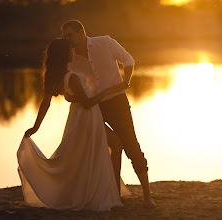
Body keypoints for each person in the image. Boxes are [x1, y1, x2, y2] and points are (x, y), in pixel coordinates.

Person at [17, 38, 130, 211]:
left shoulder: (58, 75)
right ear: (65, 54)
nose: (73, 52)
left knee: (86, 154)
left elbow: (46, 102)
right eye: (70, 50)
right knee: (115, 144)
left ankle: (109, 190)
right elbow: (88, 102)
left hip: (78, 118)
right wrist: (112, 89)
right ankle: (109, 192)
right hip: (88, 117)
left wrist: (36, 127)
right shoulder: (73, 77)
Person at [61, 20, 156, 209]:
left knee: (131, 146)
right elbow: (68, 88)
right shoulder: (70, 58)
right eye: (65, 36)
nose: (67, 39)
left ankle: (147, 196)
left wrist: (126, 82)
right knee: (110, 146)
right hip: (93, 107)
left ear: (81, 32)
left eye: (69, 35)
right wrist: (71, 97)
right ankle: (113, 194)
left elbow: (128, 60)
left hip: (117, 103)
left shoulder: (105, 42)